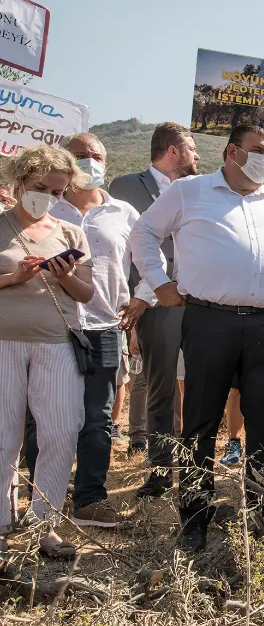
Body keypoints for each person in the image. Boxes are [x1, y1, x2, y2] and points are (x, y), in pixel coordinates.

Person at [132, 124, 264, 553]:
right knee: (201, 421)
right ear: (232, 152)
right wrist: (159, 284)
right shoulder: (189, 191)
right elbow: (144, 234)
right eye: (259, 150)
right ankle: (194, 518)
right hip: (209, 321)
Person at [23, 134, 139, 528]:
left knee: (97, 419)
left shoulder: (124, 213)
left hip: (105, 325)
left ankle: (90, 499)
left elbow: (149, 260)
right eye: (81, 157)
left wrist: (142, 298)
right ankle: (37, 498)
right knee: (42, 415)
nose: (90, 162)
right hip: (53, 324)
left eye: (96, 156)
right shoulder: (44, 208)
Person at [0, 145, 93, 559]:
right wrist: (12, 276)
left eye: (57, 192)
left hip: (57, 343)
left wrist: (66, 277)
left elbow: (88, 293)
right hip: (3, 343)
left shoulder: (70, 232)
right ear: (19, 181)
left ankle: (47, 525)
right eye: (41, 188)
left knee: (59, 432)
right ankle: (2, 524)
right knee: (3, 439)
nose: (49, 198)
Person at [108, 122, 199, 493]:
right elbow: (135, 246)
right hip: (153, 303)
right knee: (161, 385)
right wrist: (148, 292)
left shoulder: (200, 189)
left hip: (197, 300)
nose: (197, 157)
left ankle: (195, 470)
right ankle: (161, 471)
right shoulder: (125, 187)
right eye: (192, 149)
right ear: (174, 151)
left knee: (198, 386)